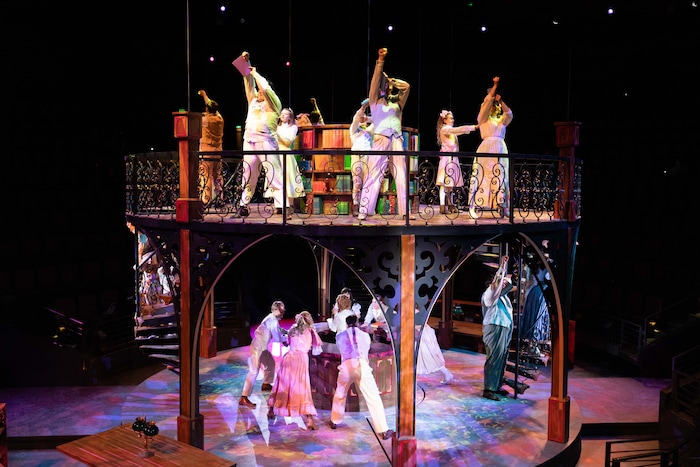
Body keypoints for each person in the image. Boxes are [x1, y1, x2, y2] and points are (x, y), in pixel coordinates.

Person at [360, 47, 411, 220]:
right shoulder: (375, 101)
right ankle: (365, 209)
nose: (385, 84)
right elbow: (375, 82)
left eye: (386, 82)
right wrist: (380, 62)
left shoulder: (397, 103)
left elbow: (407, 87)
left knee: (401, 174)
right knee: (374, 173)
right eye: (385, 82)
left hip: (396, 139)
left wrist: (391, 80)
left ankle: (405, 212)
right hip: (381, 139)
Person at [232, 51, 282, 218]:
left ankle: (282, 206)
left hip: (266, 142)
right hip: (250, 141)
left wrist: (256, 74)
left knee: (273, 173)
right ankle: (243, 205)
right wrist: (245, 63)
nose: (259, 93)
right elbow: (248, 82)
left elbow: (266, 89)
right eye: (258, 91)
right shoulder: (253, 101)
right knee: (248, 173)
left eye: (261, 91)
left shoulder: (274, 104)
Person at [328, 314, 394, 441]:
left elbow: (341, 348)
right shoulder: (364, 335)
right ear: (357, 323)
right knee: (373, 397)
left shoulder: (339, 336)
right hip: (361, 365)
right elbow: (366, 349)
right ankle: (383, 430)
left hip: (346, 365)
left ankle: (334, 420)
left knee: (340, 393)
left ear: (346, 324)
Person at [267, 311, 323, 430]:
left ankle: (271, 410)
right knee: (302, 388)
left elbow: (288, 343)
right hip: (301, 360)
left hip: (288, 358)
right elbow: (317, 349)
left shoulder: (292, 330)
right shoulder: (310, 331)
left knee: (281, 385)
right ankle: (309, 420)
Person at [469, 76, 513, 219]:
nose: (497, 107)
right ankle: (474, 205)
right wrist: (495, 85)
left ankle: (502, 204)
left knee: (501, 176)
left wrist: (501, 101)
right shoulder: (483, 120)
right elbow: (487, 101)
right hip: (487, 148)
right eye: (496, 105)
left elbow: (509, 114)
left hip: (500, 149)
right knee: (481, 175)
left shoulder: (501, 121)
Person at [239, 300, 288, 408]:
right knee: (254, 371)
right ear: (275, 310)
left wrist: (283, 332)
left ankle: (266, 384)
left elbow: (276, 330)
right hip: (258, 347)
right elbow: (277, 338)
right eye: (281, 310)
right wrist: (285, 339)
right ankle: (244, 396)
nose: (283, 312)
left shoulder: (272, 318)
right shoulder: (272, 320)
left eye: (283, 309)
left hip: (262, 347)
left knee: (270, 364)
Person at [480, 254, 515, 401]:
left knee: (502, 358)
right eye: (503, 283)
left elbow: (508, 283)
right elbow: (496, 284)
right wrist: (502, 267)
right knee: (494, 358)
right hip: (495, 328)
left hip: (504, 328)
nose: (504, 285)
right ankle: (489, 388)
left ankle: (497, 385)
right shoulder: (489, 295)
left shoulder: (503, 297)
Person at [436, 110, 478, 214]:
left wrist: (470, 129)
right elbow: (459, 129)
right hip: (447, 159)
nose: (453, 120)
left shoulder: (451, 131)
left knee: (450, 185)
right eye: (451, 118)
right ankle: (442, 206)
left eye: (453, 118)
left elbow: (460, 131)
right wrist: (474, 127)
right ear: (445, 120)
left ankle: (450, 205)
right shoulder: (445, 129)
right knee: (444, 183)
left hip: (452, 158)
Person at [272, 107, 304, 219]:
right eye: (282, 113)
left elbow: (288, 141)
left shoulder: (293, 128)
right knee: (276, 179)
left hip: (286, 154)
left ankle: (289, 206)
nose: (282, 115)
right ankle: (278, 205)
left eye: (285, 114)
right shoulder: (276, 127)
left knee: (288, 180)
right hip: (276, 154)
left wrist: (277, 134)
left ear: (290, 117)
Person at [197, 89, 224, 205]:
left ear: (207, 109)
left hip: (207, 150)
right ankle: (220, 197)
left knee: (206, 175)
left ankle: (206, 199)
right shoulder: (220, 119)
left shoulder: (205, 120)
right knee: (217, 175)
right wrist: (205, 96)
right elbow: (212, 107)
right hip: (217, 151)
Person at [415, 304, 453, 383]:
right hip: (420, 335)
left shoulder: (416, 313)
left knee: (431, 358)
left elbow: (418, 326)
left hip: (423, 336)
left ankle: (447, 373)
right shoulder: (412, 312)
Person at [349, 99, 374, 217]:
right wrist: (363, 108)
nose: (362, 118)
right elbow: (356, 119)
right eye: (361, 117)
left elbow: (378, 121)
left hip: (367, 157)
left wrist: (368, 119)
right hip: (356, 157)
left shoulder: (369, 131)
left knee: (367, 182)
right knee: (357, 182)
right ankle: (355, 204)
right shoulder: (353, 130)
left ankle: (366, 206)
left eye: (363, 117)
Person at [520, 262, 551, 354]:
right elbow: (547, 279)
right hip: (540, 293)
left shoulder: (540, 266)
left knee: (535, 317)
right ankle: (533, 345)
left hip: (536, 292)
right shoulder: (545, 268)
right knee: (537, 318)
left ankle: (532, 345)